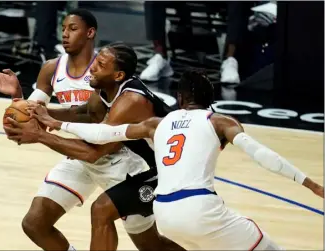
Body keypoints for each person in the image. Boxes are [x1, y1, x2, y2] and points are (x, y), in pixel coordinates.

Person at [27, 68, 323, 250]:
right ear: (211, 98)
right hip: (200, 208)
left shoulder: (158, 123)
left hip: (164, 212)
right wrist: (307, 182)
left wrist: (55, 124)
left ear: (180, 99)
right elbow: (262, 155)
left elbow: (105, 133)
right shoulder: (220, 121)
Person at [0, 10, 182, 251]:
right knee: (35, 223)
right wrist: (18, 99)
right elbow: (68, 113)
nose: (65, 34)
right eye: (63, 28)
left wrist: (44, 132)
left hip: (125, 162)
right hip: (82, 153)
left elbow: (94, 147)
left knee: (149, 244)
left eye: (72, 28)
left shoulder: (112, 78)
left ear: (90, 33)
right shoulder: (57, 70)